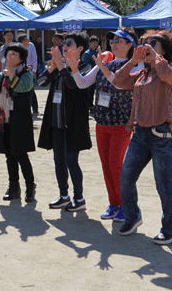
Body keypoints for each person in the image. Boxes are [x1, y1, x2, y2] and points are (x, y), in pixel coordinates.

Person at [113, 30, 172, 245]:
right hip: (140, 135)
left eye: (153, 44)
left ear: (164, 50)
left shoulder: (170, 70)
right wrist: (134, 59)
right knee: (126, 177)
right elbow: (118, 81)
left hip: (162, 136)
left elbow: (168, 74)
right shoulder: (142, 75)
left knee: (163, 184)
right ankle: (133, 217)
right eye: (145, 43)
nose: (147, 46)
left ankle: (170, 229)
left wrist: (154, 56)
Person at [66, 28, 138, 222]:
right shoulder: (104, 63)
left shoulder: (135, 67)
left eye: (119, 41)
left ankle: (125, 205)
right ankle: (114, 203)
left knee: (116, 166)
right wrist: (73, 68)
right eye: (112, 41)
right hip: (102, 123)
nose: (113, 44)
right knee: (106, 166)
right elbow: (82, 83)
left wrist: (102, 67)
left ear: (130, 44)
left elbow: (118, 84)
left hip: (121, 124)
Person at [38, 32, 92, 212]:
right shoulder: (59, 66)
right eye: (64, 44)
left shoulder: (85, 67)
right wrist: (53, 67)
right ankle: (63, 196)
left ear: (80, 49)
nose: (65, 46)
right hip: (56, 122)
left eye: (70, 44)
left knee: (71, 160)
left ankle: (79, 198)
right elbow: (41, 82)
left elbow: (75, 84)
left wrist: (61, 67)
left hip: (73, 122)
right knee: (58, 160)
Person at [0, 43, 36, 202]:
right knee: (8, 154)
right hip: (4, 118)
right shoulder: (3, 74)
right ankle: (13, 186)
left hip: (20, 119)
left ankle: (30, 186)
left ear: (21, 59)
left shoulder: (26, 74)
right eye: (8, 54)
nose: (9, 57)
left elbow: (20, 88)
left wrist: (11, 73)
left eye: (13, 55)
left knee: (21, 154)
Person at [18, 33, 39, 116]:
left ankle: (34, 109)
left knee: (31, 90)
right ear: (22, 41)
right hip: (20, 70)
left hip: (29, 70)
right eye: (26, 39)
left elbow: (34, 58)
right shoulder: (17, 47)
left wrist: (34, 70)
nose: (28, 41)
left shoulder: (31, 46)